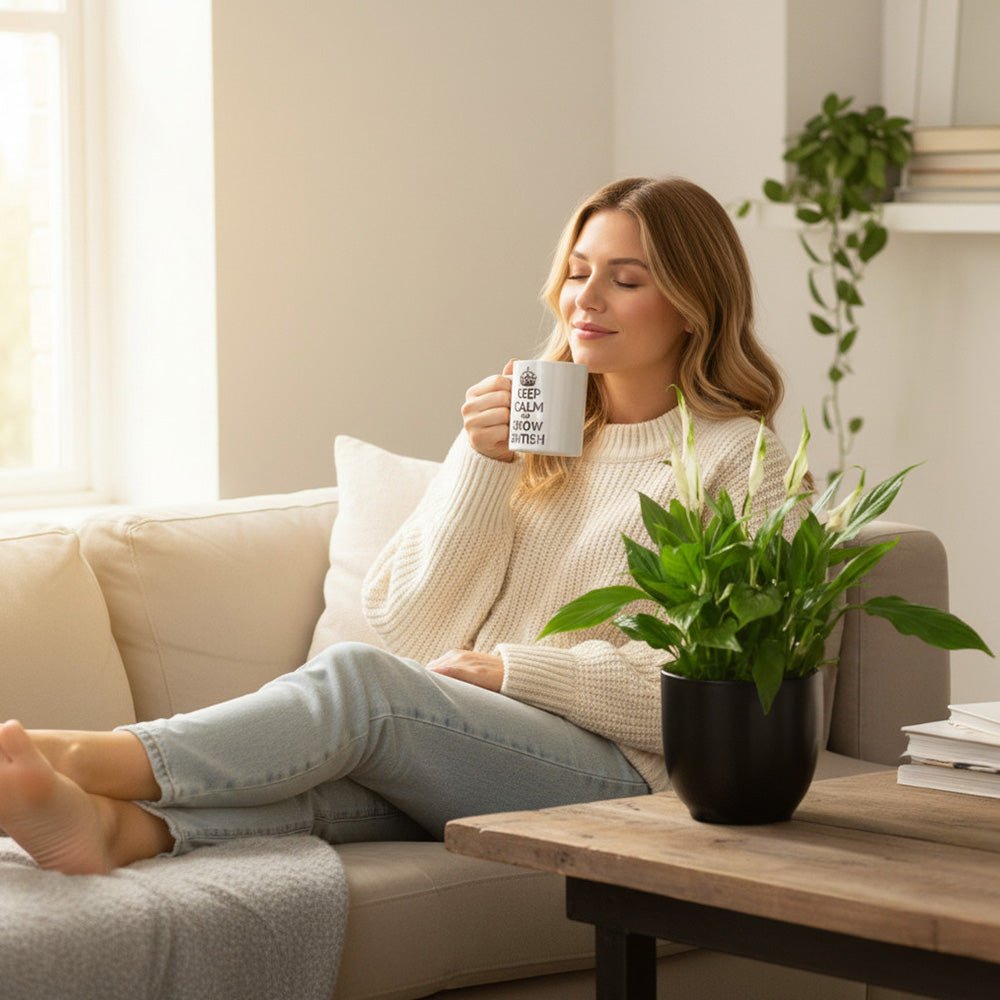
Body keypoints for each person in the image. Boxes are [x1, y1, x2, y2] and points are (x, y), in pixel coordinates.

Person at [0, 177, 794, 875]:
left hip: (627, 772)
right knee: (332, 761)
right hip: (485, 740)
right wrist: (482, 464)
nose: (585, 299)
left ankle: (82, 756)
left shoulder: (739, 463)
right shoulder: (543, 434)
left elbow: (730, 695)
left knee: (361, 687)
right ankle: (117, 829)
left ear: (694, 306)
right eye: (578, 273)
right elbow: (415, 628)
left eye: (625, 280)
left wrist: (518, 673)